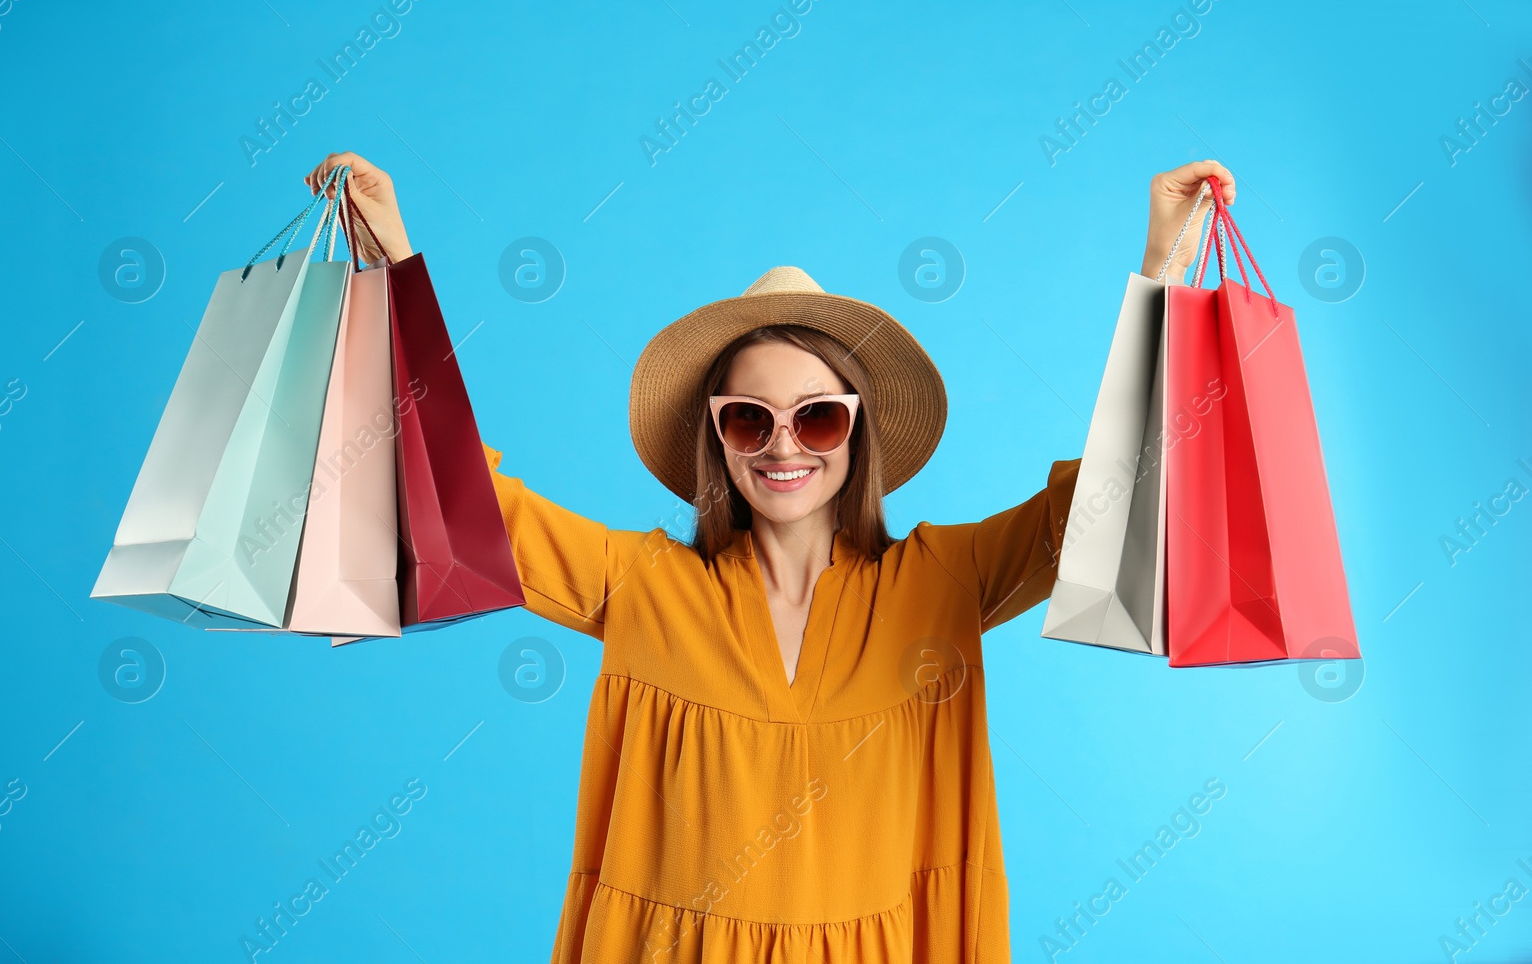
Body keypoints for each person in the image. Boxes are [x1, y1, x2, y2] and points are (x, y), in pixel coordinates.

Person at [305, 153, 1236, 962]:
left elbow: (1107, 502)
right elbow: (466, 500)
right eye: (749, 418)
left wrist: (1163, 274)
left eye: (818, 415)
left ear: (858, 430)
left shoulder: (941, 581)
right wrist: (392, 260)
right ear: (717, 437)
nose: (783, 447)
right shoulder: (642, 586)